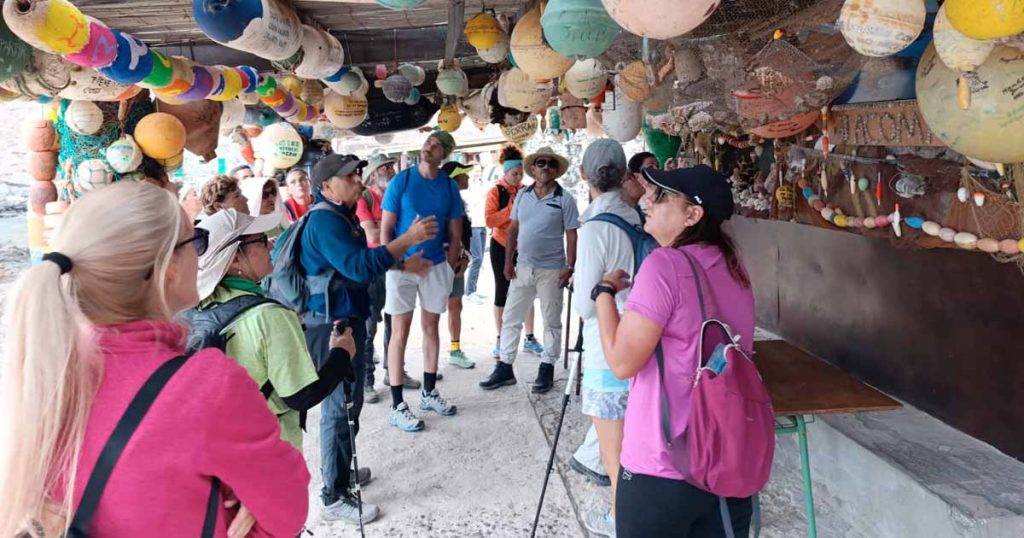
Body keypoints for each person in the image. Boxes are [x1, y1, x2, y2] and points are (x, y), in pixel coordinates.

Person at [0, 182, 309, 537]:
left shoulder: (45, 374)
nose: (200, 253)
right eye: (195, 241)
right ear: (168, 269)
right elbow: (287, 510)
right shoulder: (207, 385)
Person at [593, 165, 755, 537]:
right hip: (726, 457)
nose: (647, 199)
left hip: (663, 463)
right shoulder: (735, 267)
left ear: (693, 215)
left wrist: (603, 294)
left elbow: (621, 361)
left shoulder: (664, 265)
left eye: (661, 196)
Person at [300, 153, 437, 524]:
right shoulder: (325, 222)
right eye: (349, 176)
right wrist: (406, 240)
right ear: (326, 186)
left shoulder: (339, 217)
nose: (358, 180)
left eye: (358, 173)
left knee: (350, 405)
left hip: (347, 319)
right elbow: (358, 266)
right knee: (338, 409)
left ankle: (341, 475)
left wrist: (399, 261)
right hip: (331, 326)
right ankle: (333, 496)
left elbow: (360, 257)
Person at [192, 209, 356, 451]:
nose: (270, 246)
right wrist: (341, 353)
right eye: (260, 240)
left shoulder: (198, 305)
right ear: (235, 258)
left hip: (222, 449)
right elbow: (302, 396)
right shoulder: (270, 316)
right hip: (270, 452)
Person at [569, 140, 642, 537]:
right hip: (643, 343)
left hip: (606, 347)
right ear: (624, 174)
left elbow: (583, 304)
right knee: (640, 444)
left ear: (584, 175)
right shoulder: (637, 218)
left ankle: (621, 523)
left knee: (614, 455)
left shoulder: (596, 227)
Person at [380, 131, 464, 432]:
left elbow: (456, 231)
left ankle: (429, 392)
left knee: (431, 328)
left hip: (435, 267)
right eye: (428, 142)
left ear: (445, 154)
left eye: (437, 145)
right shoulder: (400, 181)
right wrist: (400, 263)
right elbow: (385, 233)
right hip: (401, 267)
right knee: (399, 331)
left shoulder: (449, 186)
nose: (429, 146)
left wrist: (451, 265)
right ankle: (398, 404)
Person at [480, 146, 579, 393]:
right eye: (540, 163)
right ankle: (504, 368)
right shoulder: (522, 196)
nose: (545, 167)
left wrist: (570, 266)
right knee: (511, 318)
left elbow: (571, 235)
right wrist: (507, 261)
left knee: (551, 321)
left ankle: (547, 368)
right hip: (522, 267)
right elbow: (513, 228)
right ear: (532, 169)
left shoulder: (564, 199)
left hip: (552, 270)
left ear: (556, 171)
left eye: (550, 164)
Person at [356, 154, 420, 403]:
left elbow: (405, 228)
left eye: (392, 166)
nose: (392, 170)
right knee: (370, 326)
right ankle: (367, 381)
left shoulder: (397, 197)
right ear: (374, 174)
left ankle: (395, 372)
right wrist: (393, 227)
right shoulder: (365, 198)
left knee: (397, 324)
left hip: (395, 264)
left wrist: (386, 226)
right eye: (386, 167)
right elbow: (372, 234)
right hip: (373, 268)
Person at [483, 145, 543, 361]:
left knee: (527, 290)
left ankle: (529, 337)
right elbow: (489, 220)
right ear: (505, 172)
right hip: (501, 245)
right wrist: (511, 209)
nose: (518, 177)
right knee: (502, 291)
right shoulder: (495, 192)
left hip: (524, 246)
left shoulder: (528, 190)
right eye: (514, 174)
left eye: (520, 173)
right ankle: (500, 339)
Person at [440, 160, 477, 370]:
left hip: (457, 263)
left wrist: (465, 256)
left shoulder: (459, 203)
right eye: (464, 174)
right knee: (433, 310)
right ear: (454, 180)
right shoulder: (440, 203)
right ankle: (432, 354)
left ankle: (455, 350)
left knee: (456, 306)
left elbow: (464, 235)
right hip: (439, 263)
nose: (468, 177)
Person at [464, 159, 492, 303]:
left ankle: (473, 289)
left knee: (480, 259)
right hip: (473, 225)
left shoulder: (481, 184)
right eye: (475, 171)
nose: (478, 173)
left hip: (482, 223)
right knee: (476, 258)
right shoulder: (467, 187)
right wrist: (482, 194)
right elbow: (469, 202)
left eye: (479, 170)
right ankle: (469, 292)